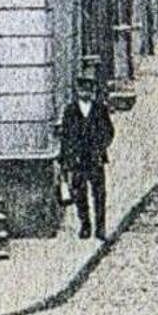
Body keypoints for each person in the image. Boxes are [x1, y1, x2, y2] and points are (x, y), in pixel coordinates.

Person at [57, 77, 115, 240]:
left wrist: (101, 147)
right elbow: (66, 136)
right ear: (78, 92)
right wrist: (65, 159)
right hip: (78, 160)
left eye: (89, 90)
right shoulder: (70, 111)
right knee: (80, 195)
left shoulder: (99, 109)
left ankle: (101, 228)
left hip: (95, 158)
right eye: (82, 90)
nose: (86, 93)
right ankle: (85, 226)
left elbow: (109, 131)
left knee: (99, 194)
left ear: (93, 92)